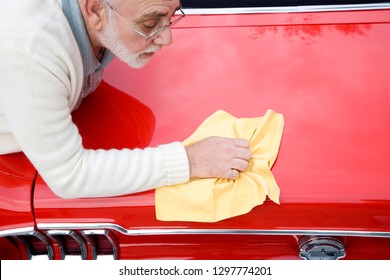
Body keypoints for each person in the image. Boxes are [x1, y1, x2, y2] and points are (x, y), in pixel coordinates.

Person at [0, 0, 251, 199]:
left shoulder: (103, 17)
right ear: (95, 10)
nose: (168, 39)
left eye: (173, 14)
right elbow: (70, 175)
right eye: (151, 22)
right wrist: (191, 160)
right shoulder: (30, 49)